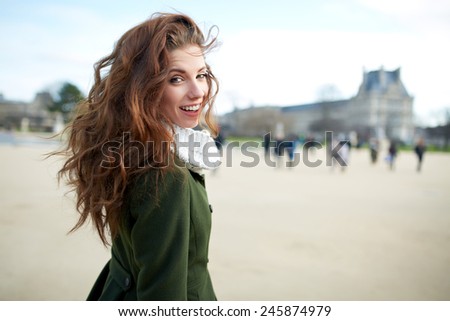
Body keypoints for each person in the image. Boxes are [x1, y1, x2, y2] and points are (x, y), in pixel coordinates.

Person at [52, 13, 220, 300]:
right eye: (176, 78)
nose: (198, 92)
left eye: (201, 74)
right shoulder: (166, 175)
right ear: (143, 87)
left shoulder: (128, 149)